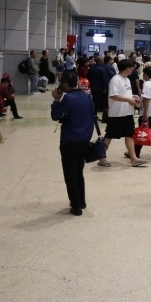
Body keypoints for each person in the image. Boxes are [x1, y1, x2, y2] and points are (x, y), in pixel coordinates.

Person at [49, 71, 94, 216]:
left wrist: (56, 100)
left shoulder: (68, 98)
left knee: (70, 174)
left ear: (66, 84)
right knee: (79, 172)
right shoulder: (87, 97)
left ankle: (76, 206)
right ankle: (81, 200)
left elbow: (55, 116)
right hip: (84, 140)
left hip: (69, 141)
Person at [103, 59, 144, 167]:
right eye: (132, 68)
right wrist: (128, 100)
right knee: (109, 135)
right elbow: (113, 95)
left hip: (127, 113)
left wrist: (133, 97)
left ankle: (134, 158)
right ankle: (101, 156)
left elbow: (124, 94)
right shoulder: (115, 80)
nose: (133, 70)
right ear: (127, 68)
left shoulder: (126, 79)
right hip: (117, 114)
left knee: (129, 135)